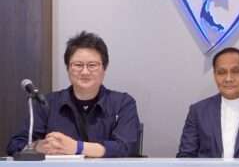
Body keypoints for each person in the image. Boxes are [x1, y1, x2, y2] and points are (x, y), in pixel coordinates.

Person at [6, 31, 141, 157]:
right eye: (78, 65)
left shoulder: (122, 103)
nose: (85, 72)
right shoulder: (46, 103)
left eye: (92, 65)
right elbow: (15, 145)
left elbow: (127, 148)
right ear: (68, 68)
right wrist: (38, 146)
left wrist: (77, 147)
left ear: (104, 69)